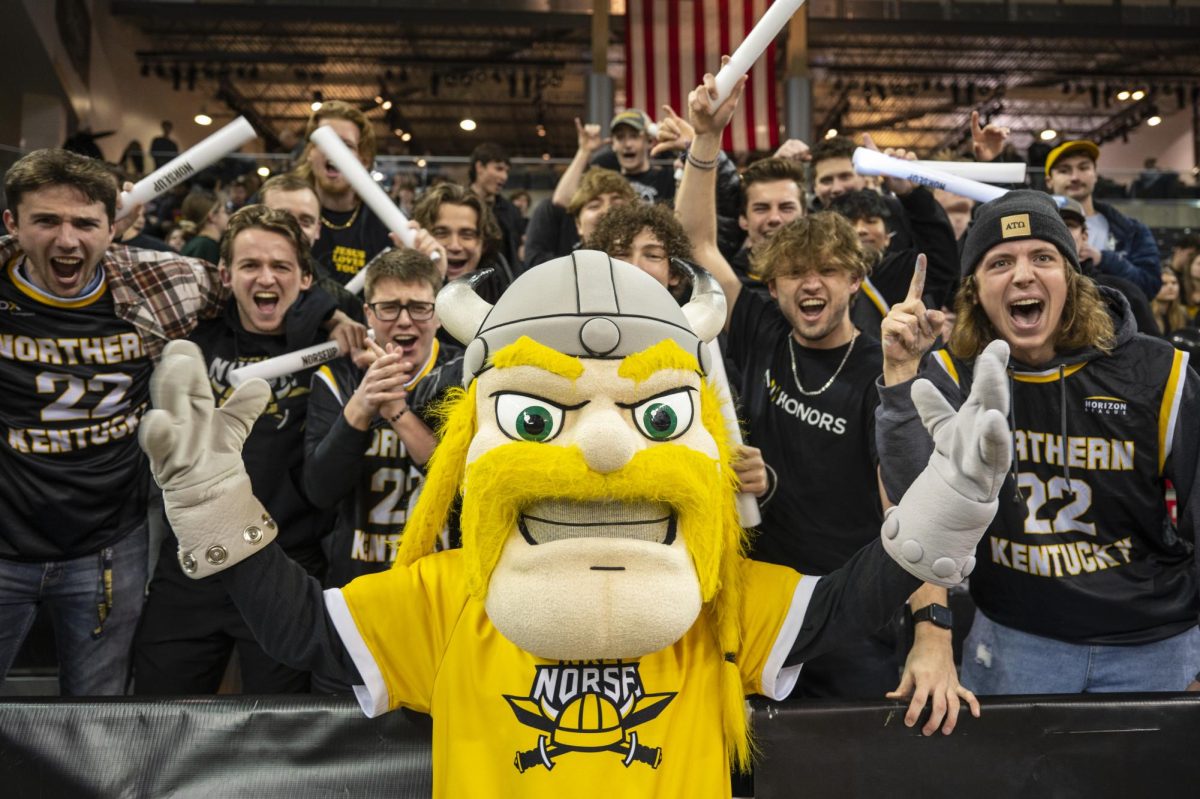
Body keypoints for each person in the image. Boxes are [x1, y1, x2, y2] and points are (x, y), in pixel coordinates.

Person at [139, 240, 1011, 795]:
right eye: (535, 416)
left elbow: (841, 609)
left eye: (656, 416)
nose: (600, 449)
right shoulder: (452, 595)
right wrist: (213, 502)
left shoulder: (712, 593)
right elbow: (304, 634)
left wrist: (945, 509)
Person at [676, 68, 970, 722]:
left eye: (828, 272)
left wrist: (932, 632)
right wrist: (705, 137)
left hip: (852, 613)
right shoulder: (758, 327)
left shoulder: (881, 367)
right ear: (772, 285)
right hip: (763, 601)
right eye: (793, 274)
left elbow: (914, 507)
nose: (811, 286)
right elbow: (695, 241)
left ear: (854, 279)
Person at [877, 189, 1200, 694]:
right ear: (975, 291)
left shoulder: (1160, 373)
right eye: (1000, 261)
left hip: (1156, 643)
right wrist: (900, 374)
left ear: (1071, 280)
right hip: (1016, 637)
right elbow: (910, 499)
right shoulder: (949, 375)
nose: (1023, 275)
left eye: (1042, 257)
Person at [0, 148, 228, 695]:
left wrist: (333, 313)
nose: (67, 240)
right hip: (3, 544)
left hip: (108, 545)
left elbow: (259, 285)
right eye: (46, 221)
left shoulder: (155, 280)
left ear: (113, 226)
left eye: (85, 223)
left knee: (97, 717)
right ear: (11, 224)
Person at [133, 205, 341, 695]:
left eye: (281, 266)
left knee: (280, 729)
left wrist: (335, 319)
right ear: (225, 275)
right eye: (250, 265)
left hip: (284, 562)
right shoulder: (192, 340)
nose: (265, 277)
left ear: (305, 278)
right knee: (158, 715)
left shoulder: (331, 347)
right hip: (192, 562)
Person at [305, 249, 460, 592]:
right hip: (362, 582)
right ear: (367, 314)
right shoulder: (335, 378)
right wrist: (363, 403)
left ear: (438, 315)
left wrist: (396, 411)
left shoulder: (465, 375)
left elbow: (462, 486)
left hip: (447, 582)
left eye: (419, 307)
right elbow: (320, 491)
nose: (405, 321)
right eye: (389, 307)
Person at [1044, 139, 1161, 299]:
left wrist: (1104, 259)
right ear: (1049, 180)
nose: (1075, 177)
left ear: (1095, 175)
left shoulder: (1132, 230)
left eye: (1083, 168)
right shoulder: (1036, 228)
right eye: (1064, 170)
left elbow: (1150, 286)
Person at [295, 101, 392, 284]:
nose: (334, 151)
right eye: (325, 142)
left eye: (346, 145)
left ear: (364, 160)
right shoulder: (283, 207)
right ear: (310, 152)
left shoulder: (385, 224)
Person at [1057, 196, 1156, 336]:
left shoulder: (1123, 292)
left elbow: (1150, 351)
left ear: (1084, 236)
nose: (1060, 232)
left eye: (1069, 225)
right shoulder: (1022, 286)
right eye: (1052, 225)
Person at [411, 182, 513, 307]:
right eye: (441, 233)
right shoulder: (397, 288)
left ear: (484, 243)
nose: (455, 246)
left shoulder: (499, 286)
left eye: (467, 235)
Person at [725, 157, 806, 295]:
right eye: (761, 208)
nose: (774, 218)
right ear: (743, 219)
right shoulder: (726, 282)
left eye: (786, 208)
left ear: (805, 215)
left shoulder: (831, 277)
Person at [468, 143, 522, 272]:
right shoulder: (459, 206)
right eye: (498, 169)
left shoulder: (511, 211)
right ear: (480, 167)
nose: (504, 176)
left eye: (506, 171)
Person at [179, 188, 231, 265]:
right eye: (224, 212)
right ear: (212, 217)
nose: (229, 216)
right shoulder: (206, 246)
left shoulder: (198, 243)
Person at [1152, 268, 1189, 337]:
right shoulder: (1146, 314)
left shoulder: (1183, 313)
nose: (1171, 287)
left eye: (1174, 283)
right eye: (1164, 284)